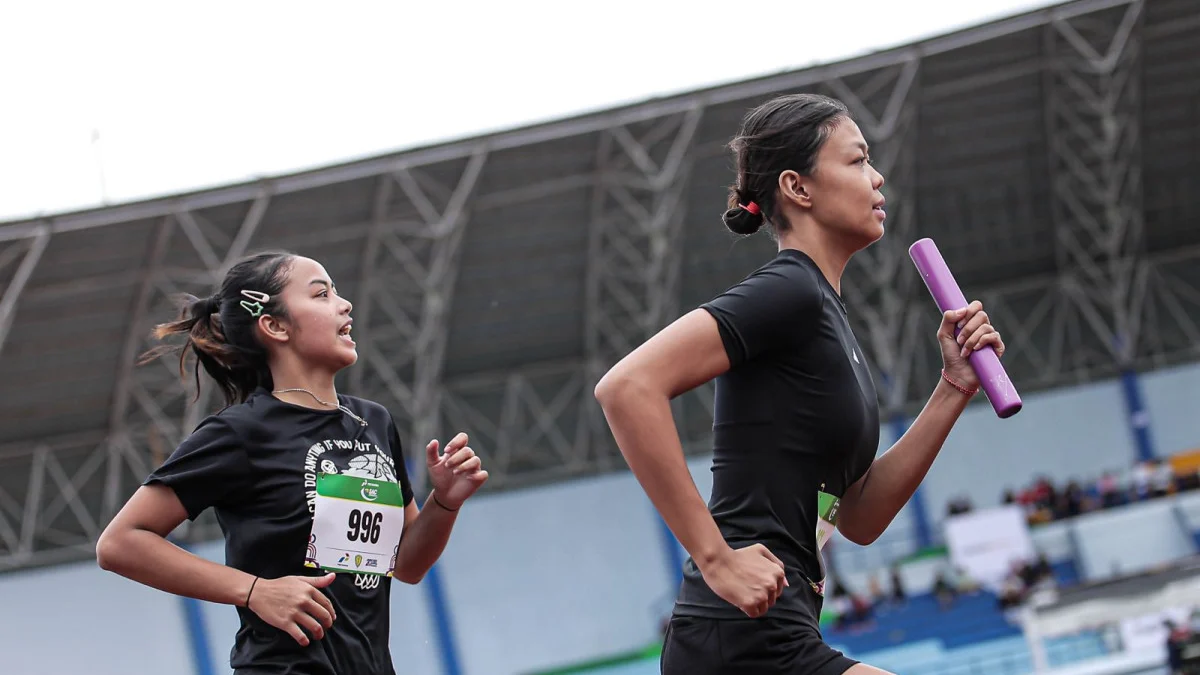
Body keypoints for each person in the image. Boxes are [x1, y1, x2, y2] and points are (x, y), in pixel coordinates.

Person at [593, 93, 1005, 675]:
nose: (877, 175)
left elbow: (858, 517)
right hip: (744, 634)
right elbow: (627, 387)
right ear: (798, 187)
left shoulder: (826, 315)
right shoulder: (791, 290)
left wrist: (954, 386)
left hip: (774, 625)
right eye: (857, 160)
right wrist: (715, 558)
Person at [96, 251, 488, 675]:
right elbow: (120, 543)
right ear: (275, 326)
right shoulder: (240, 432)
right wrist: (254, 591)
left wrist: (445, 502)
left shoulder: (373, 421)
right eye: (321, 294)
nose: (344, 304)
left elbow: (407, 564)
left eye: (336, 292)